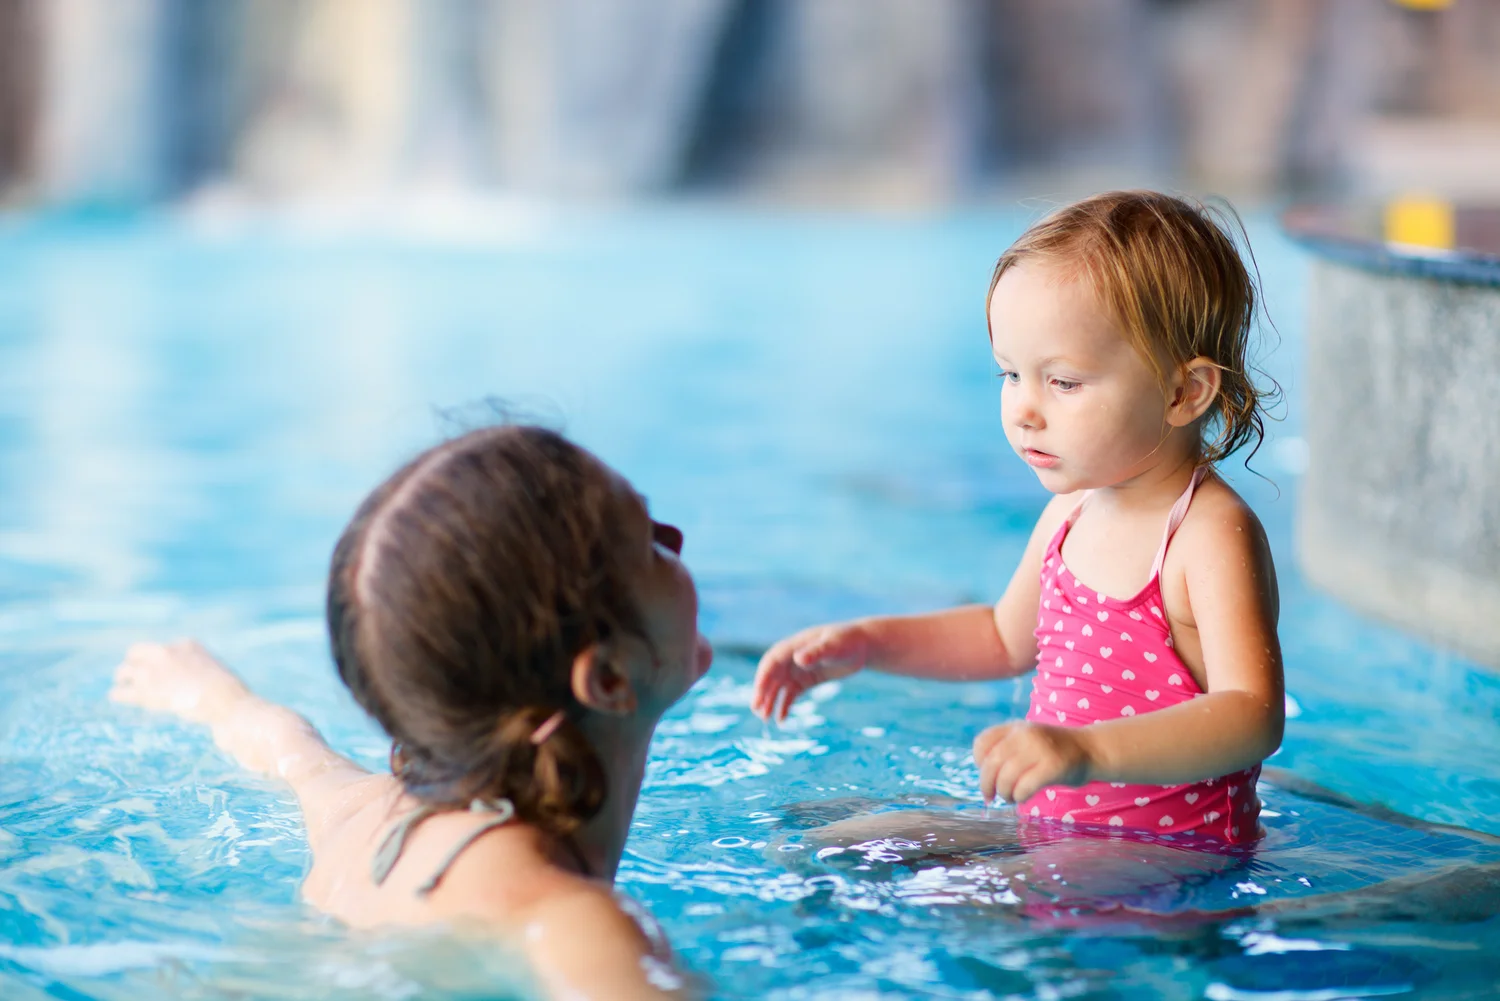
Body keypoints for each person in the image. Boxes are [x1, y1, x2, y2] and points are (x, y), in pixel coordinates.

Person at [753, 191, 1283, 845]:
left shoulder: (1205, 534)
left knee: (951, 908)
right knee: (836, 844)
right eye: (1010, 374)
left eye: (1062, 382)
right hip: (1056, 826)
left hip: (1167, 850)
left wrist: (1088, 751)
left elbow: (1252, 714)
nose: (1023, 410)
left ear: (1183, 391)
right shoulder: (1072, 509)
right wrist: (868, 643)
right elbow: (1004, 639)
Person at [111, 425, 714, 1000]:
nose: (679, 540)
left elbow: (284, 747)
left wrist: (212, 694)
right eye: (654, 545)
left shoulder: (363, 816)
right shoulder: (573, 923)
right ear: (609, 679)